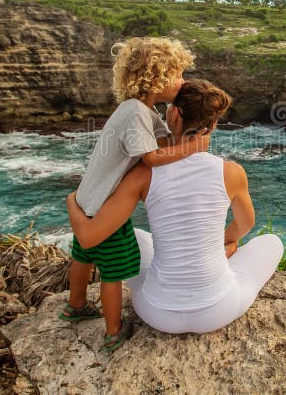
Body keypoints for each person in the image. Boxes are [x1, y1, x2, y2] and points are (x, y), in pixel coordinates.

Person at [67, 79, 284, 336]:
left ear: (173, 114)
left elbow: (90, 237)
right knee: (271, 242)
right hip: (218, 309)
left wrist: (72, 201)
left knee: (134, 236)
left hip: (156, 313)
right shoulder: (232, 172)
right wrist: (224, 243)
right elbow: (246, 224)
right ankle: (221, 258)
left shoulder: (143, 173)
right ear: (213, 124)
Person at [61, 37, 209, 352]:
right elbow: (152, 158)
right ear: (158, 79)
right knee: (112, 272)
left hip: (89, 198)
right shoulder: (137, 114)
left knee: (82, 257)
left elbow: (161, 143)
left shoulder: (138, 111)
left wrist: (177, 133)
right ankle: (113, 331)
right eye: (179, 75)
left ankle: (74, 306)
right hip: (105, 207)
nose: (182, 82)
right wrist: (193, 147)